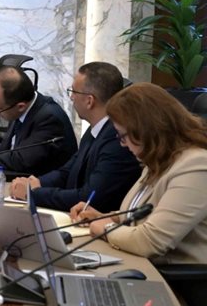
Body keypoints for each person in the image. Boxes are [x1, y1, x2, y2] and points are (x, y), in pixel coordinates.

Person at [71, 83, 207, 264]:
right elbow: (141, 213)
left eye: (123, 136)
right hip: (141, 264)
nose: (123, 144)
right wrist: (104, 217)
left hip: (174, 278)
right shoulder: (158, 161)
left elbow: (151, 241)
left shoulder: (196, 166)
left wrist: (105, 228)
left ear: (146, 130)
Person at [9, 62, 141, 211]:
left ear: (89, 101)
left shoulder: (116, 140)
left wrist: (33, 194)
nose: (71, 97)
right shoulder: (95, 129)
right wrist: (37, 182)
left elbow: (88, 197)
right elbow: (68, 171)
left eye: (74, 92)